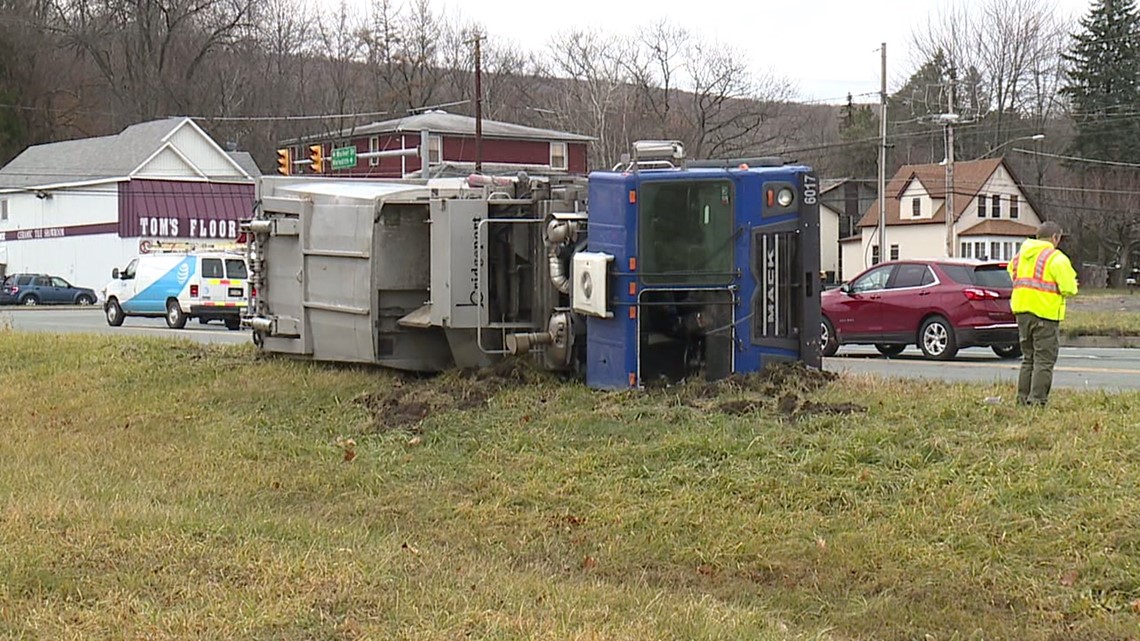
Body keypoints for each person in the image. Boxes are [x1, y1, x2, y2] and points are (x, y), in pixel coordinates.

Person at [1008, 221, 1079, 406]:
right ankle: (1037, 401)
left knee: (1028, 358)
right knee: (1044, 360)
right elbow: (1069, 288)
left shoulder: (1019, 257)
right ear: (1055, 237)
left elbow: (1012, 273)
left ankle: (1022, 399)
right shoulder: (1056, 258)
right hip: (1045, 314)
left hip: (1022, 312)